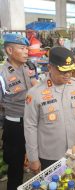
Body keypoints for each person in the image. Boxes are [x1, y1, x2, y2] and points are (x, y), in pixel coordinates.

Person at [24, 47, 75, 172]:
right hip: (49, 156)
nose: (68, 75)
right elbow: (30, 127)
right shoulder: (35, 93)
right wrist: (33, 158)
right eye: (63, 71)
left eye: (70, 71)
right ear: (50, 68)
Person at [0, 33, 38, 190]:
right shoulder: (2, 74)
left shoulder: (29, 66)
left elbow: (36, 88)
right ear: (9, 50)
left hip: (34, 122)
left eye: (27, 48)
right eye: (22, 48)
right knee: (15, 166)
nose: (26, 51)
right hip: (15, 126)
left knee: (35, 160)